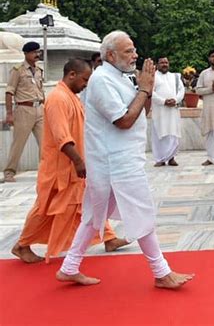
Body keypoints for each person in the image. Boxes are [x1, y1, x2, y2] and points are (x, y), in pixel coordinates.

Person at [56, 31, 194, 288]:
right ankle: (161, 272)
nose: (135, 55)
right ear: (111, 55)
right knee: (141, 212)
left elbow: (142, 110)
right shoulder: (101, 80)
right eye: (129, 51)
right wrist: (143, 88)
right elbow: (123, 121)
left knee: (94, 216)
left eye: (133, 50)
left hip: (121, 159)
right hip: (115, 162)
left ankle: (70, 266)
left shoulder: (122, 77)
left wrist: (147, 90)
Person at [11, 59, 127, 263]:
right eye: (85, 79)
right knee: (46, 208)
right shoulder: (58, 98)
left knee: (91, 201)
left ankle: (109, 238)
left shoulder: (71, 97)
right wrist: (78, 161)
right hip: (60, 168)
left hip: (76, 164)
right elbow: (61, 137)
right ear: (71, 75)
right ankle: (22, 244)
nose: (86, 84)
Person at [3, 41, 45, 183]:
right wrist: (9, 113)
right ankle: (9, 172)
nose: (37, 55)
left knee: (45, 143)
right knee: (18, 143)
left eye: (38, 52)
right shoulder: (18, 70)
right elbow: (9, 92)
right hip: (24, 109)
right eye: (34, 52)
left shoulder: (39, 70)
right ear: (26, 54)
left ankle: (45, 171)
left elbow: (41, 90)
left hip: (39, 108)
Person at [151, 56, 184, 166]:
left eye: (166, 62)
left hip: (173, 110)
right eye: (162, 63)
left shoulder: (175, 76)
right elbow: (151, 93)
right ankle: (160, 159)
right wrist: (163, 101)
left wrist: (175, 100)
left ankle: (171, 158)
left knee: (173, 134)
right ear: (157, 64)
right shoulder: (153, 76)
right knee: (160, 134)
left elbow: (181, 90)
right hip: (160, 111)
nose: (164, 64)